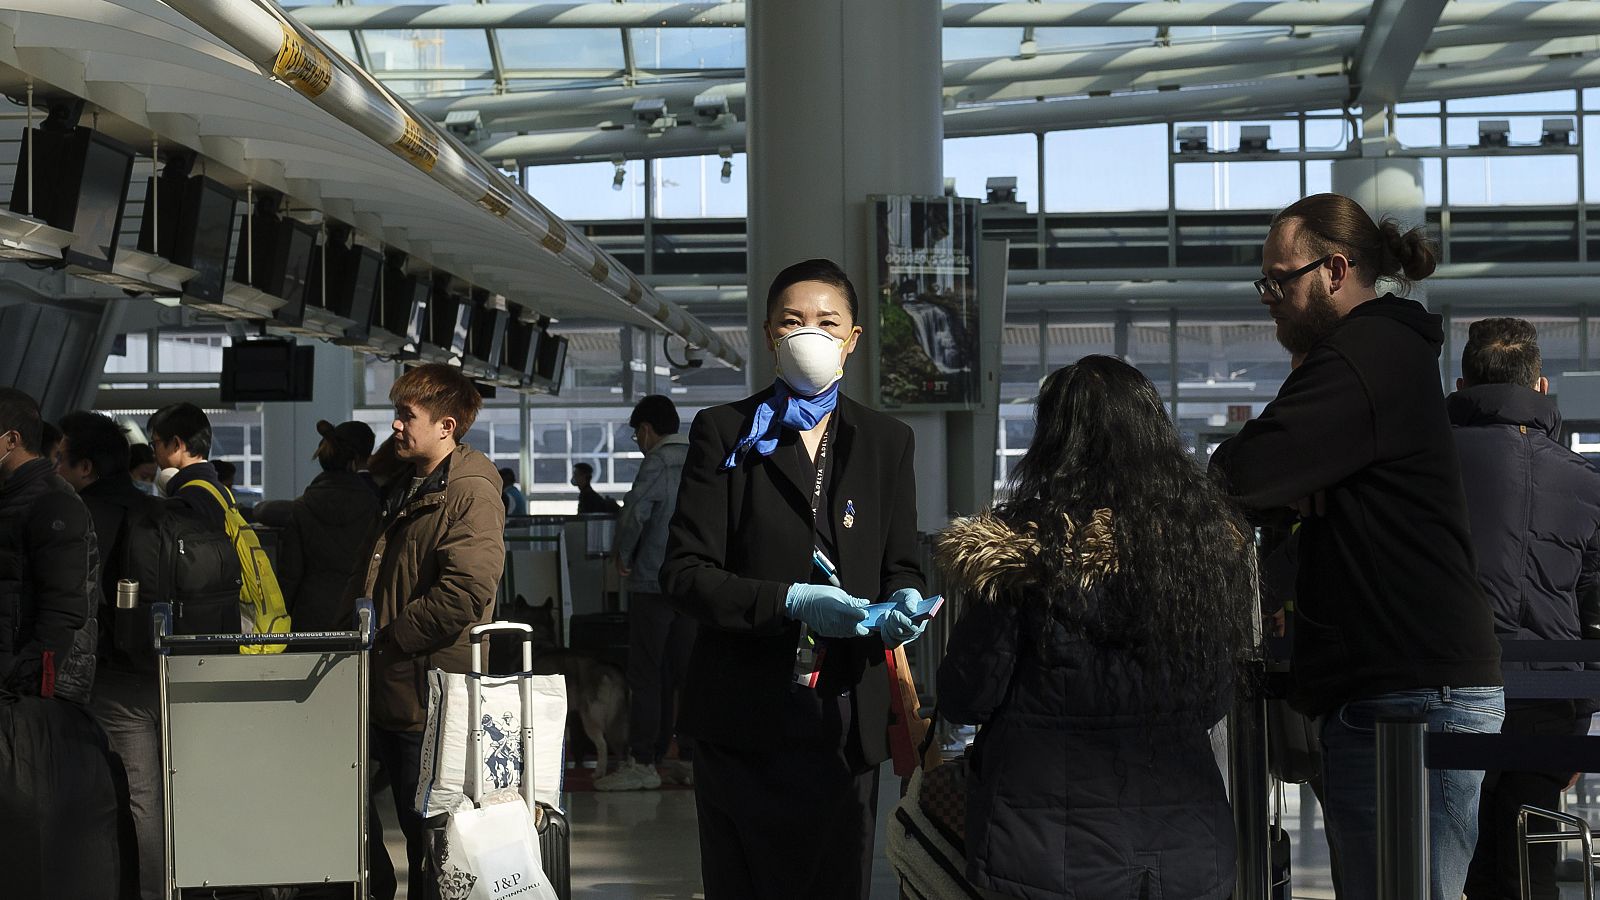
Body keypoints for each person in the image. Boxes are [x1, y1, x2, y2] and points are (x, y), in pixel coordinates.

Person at [1212, 192, 1504, 900]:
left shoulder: (1362, 356)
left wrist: (1283, 487)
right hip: (1400, 685)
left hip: (1409, 694)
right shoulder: (1378, 353)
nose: (1269, 298)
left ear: (1336, 268)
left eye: (1281, 280)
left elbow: (1243, 472)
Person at [936, 356, 1254, 900]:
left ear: (1053, 442)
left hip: (1039, 855)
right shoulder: (1200, 555)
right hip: (1182, 854)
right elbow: (1212, 701)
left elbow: (968, 694)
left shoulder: (1021, 552)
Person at [662, 258, 927, 900]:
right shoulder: (725, 434)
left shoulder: (885, 441)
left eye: (827, 322)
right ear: (770, 336)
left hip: (844, 720)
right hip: (745, 717)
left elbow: (901, 562)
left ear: (854, 339)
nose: (811, 333)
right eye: (793, 321)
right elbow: (686, 573)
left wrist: (903, 602)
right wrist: (788, 602)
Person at [1450, 319, 1600, 900]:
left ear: (1462, 384)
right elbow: (1593, 611)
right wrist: (1579, 718)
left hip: (1456, 691)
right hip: (1550, 704)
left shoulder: (1426, 473)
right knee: (1527, 866)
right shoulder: (1585, 483)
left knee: (1455, 862)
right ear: (1541, 388)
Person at [348, 363, 506, 900]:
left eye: (405, 416)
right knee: (405, 825)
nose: (395, 426)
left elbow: (466, 590)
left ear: (446, 426)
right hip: (395, 682)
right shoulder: (410, 483)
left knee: (433, 836)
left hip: (428, 686)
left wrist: (394, 636)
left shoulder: (469, 490)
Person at [0, 389, 122, 897]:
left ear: (10, 439)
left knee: (35, 836)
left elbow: (64, 610)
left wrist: (25, 680)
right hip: (18, 692)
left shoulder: (51, 501)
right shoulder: (16, 498)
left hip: (32, 699)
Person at [58, 409, 167, 900]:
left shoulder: (83, 517)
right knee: (152, 793)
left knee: (133, 797)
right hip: (164, 664)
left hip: (112, 677)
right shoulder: (158, 510)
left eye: (60, 459)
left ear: (86, 468)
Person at [596, 394, 696, 791]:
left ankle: (643, 761)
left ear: (646, 430)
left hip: (653, 582)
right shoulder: (702, 459)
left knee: (647, 673)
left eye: (638, 435)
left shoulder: (658, 461)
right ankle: (687, 757)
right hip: (692, 585)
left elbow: (636, 512)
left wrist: (623, 554)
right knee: (684, 673)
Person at [276, 420, 381, 633]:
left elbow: (290, 575)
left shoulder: (302, 507)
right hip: (359, 616)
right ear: (362, 458)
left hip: (309, 617)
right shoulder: (376, 507)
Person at [147, 403, 229, 529]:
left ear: (176, 444)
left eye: (155, 443)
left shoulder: (188, 498)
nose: (154, 453)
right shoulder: (220, 491)